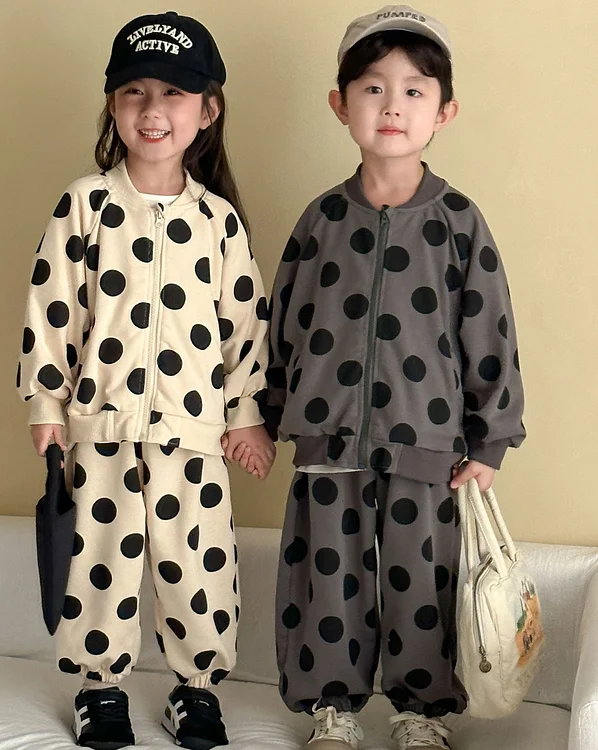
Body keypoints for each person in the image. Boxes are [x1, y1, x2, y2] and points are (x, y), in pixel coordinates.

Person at [259, 6, 526, 749]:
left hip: (428, 444)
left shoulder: (460, 222)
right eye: (373, 88)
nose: (392, 106)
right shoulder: (319, 222)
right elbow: (282, 325)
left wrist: (490, 440)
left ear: (445, 111)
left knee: (423, 582)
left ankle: (421, 713)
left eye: (414, 90)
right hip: (327, 440)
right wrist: (265, 415)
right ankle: (332, 709)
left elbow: (491, 332)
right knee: (327, 581)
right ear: (340, 104)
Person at [16, 11, 275, 749]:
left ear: (207, 110)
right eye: (135, 91)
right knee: (98, 564)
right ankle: (99, 688)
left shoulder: (219, 222)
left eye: (173, 93)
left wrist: (246, 415)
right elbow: (53, 306)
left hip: (194, 435)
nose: (153, 109)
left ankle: (197, 689)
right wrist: (45, 401)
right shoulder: (86, 205)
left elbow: (244, 325)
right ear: (112, 103)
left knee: (199, 564)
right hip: (100, 427)